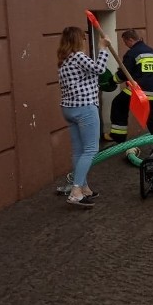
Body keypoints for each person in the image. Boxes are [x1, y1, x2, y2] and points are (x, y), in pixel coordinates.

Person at [57, 26, 110, 206]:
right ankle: (76, 190)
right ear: (78, 40)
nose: (86, 42)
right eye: (84, 38)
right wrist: (103, 48)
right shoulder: (79, 57)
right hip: (85, 108)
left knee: (78, 151)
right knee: (90, 150)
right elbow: (99, 69)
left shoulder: (64, 61)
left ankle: (84, 188)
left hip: (69, 109)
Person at [106, 29, 153, 142]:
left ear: (130, 39)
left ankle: (117, 135)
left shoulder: (133, 53)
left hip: (138, 91)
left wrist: (112, 80)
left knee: (118, 103)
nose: (126, 45)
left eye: (125, 42)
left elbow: (124, 73)